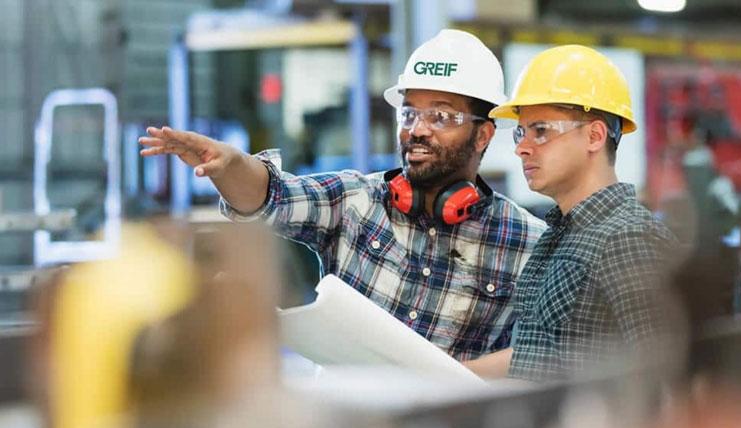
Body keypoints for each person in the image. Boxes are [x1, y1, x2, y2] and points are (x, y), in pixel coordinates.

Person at [139, 29, 546, 361]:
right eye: (409, 113)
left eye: (440, 116)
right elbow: (271, 196)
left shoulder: (527, 243)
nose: (417, 129)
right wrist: (229, 165)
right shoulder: (355, 201)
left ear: (484, 133)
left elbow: (535, 361)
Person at [464, 45, 682, 381]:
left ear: (594, 136)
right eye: (522, 132)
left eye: (541, 131)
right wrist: (446, 374)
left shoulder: (629, 239)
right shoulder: (558, 236)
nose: (522, 147)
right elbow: (537, 355)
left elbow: (669, 373)